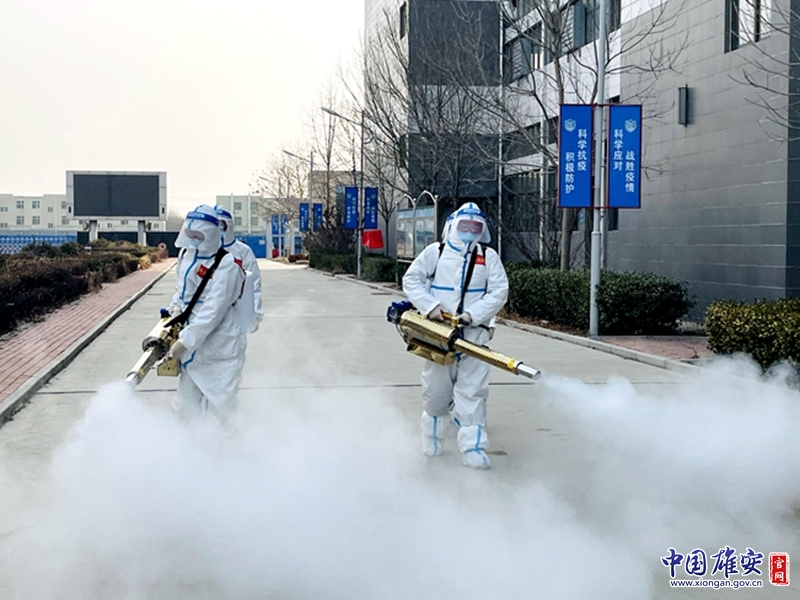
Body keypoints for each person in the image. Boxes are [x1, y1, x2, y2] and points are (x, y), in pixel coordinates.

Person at [402, 202, 509, 469]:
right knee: (436, 391)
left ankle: (473, 447)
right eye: (465, 225)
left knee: (474, 392)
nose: (470, 231)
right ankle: (432, 436)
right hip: (439, 336)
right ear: (452, 226)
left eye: (476, 226)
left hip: (474, 337)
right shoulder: (435, 252)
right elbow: (411, 280)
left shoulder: (488, 256)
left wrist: (473, 315)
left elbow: (499, 291)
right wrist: (431, 308)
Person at [167, 205, 245, 424]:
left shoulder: (227, 264)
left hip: (218, 348)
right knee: (184, 409)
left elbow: (213, 310)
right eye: (190, 234)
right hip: (192, 350)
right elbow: (182, 291)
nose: (193, 240)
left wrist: (185, 341)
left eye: (198, 236)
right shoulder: (186, 256)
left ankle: (227, 444)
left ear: (211, 234)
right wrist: (176, 309)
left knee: (221, 410)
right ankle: (188, 444)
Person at [214, 205, 264, 332]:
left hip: (237, 309)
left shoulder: (243, 251)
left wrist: (255, 313)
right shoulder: (203, 252)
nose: (219, 228)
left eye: (222, 224)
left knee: (234, 342)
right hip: (208, 311)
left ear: (229, 225)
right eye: (215, 224)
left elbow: (254, 284)